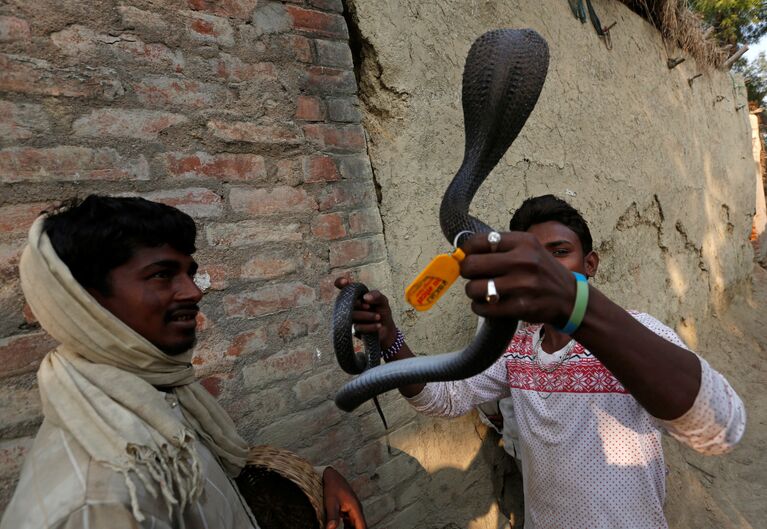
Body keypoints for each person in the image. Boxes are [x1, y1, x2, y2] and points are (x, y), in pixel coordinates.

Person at [338, 194, 746, 529]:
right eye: (535, 259)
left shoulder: (637, 333)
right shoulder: (517, 346)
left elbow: (722, 428)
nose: (545, 269)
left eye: (560, 253)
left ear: (590, 265)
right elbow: (443, 398)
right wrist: (390, 338)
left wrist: (575, 303)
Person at [1, 195, 366, 529]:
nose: (194, 291)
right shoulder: (96, 502)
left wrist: (318, 480)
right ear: (83, 299)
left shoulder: (158, 397)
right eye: (161, 274)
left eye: (189, 272)